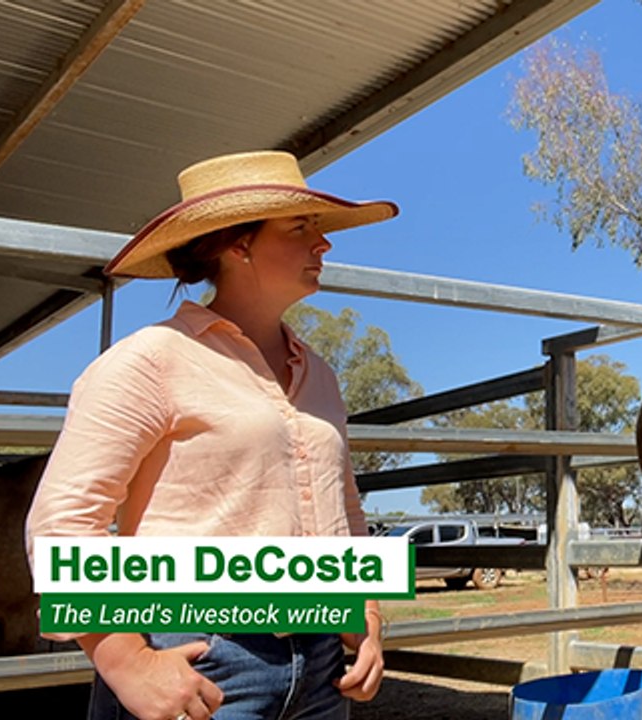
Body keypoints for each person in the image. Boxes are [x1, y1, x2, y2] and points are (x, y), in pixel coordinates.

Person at [26, 150, 398, 720]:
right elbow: (62, 522)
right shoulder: (150, 361)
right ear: (238, 243)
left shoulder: (318, 374)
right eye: (302, 227)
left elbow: (343, 509)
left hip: (323, 664)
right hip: (200, 657)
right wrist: (129, 663)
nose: (323, 245)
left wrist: (367, 618)